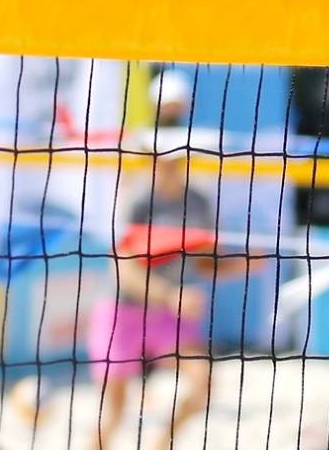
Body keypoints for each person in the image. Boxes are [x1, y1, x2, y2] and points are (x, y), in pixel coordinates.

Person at [84, 134, 256, 450]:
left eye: (170, 159)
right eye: (158, 159)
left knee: (202, 380)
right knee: (114, 411)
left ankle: (161, 445)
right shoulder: (138, 202)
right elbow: (123, 269)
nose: (163, 166)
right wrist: (170, 295)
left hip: (168, 313)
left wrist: (244, 265)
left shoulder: (199, 203)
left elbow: (205, 264)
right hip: (124, 310)